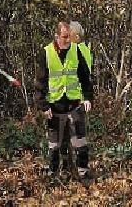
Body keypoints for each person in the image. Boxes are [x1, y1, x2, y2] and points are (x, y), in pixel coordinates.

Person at [36, 20, 94, 185]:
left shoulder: (76, 50)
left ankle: (83, 173)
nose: (68, 41)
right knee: (54, 145)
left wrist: (88, 97)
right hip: (54, 107)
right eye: (64, 37)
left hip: (75, 104)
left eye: (69, 37)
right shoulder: (46, 53)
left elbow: (85, 77)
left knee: (80, 142)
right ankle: (54, 174)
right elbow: (40, 82)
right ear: (57, 36)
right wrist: (43, 105)